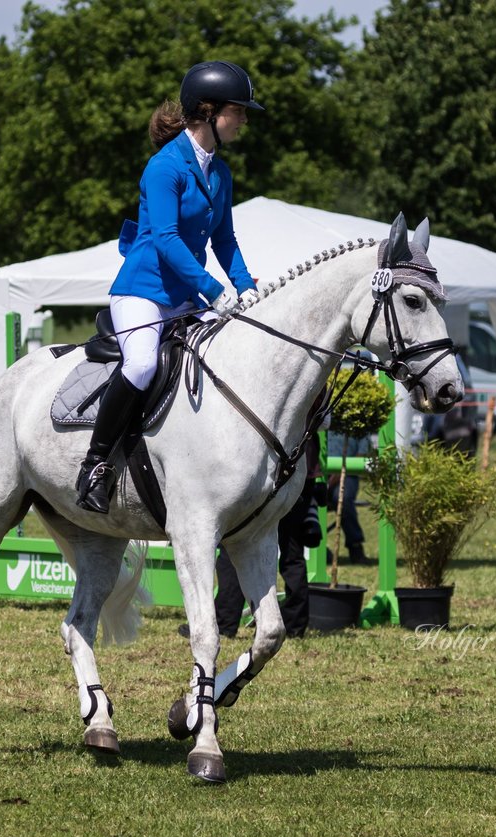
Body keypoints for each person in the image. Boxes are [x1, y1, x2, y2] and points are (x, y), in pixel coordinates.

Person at [75, 60, 263, 513]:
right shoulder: (164, 168)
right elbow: (166, 238)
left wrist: (245, 286)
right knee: (140, 365)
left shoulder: (220, 173)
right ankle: (95, 466)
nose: (243, 119)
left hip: (184, 295)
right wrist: (214, 290)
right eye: (238, 111)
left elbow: (224, 239)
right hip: (143, 291)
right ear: (210, 111)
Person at [210, 433, 323, 638]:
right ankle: (295, 625)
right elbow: (324, 423)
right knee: (292, 552)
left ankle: (225, 621)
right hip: (302, 468)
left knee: (235, 543)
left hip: (267, 468)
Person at [326, 430, 370, 562]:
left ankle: (355, 546)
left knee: (342, 498)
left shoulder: (359, 426)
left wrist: (339, 473)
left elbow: (361, 454)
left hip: (348, 474)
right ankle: (315, 547)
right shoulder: (321, 420)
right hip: (318, 473)